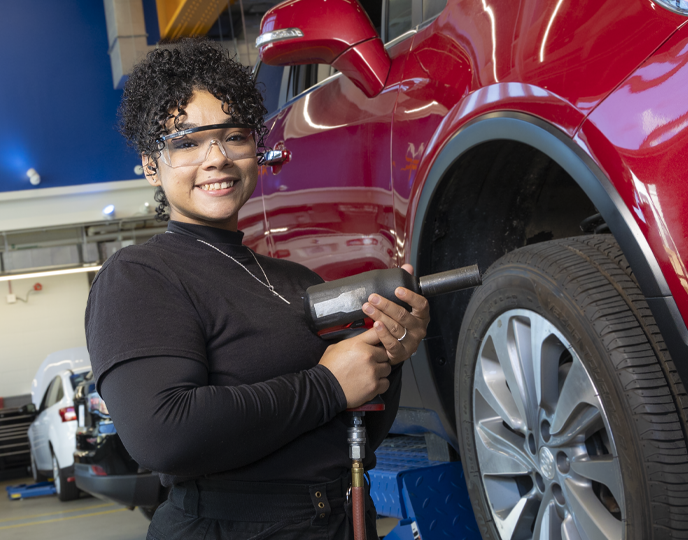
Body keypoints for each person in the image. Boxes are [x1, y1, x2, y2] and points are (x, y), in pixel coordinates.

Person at [85, 38, 430, 540]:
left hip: (337, 519)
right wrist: (328, 384)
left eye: (234, 137)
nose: (217, 158)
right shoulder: (140, 276)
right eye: (187, 142)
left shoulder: (300, 281)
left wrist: (389, 357)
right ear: (151, 165)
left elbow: (357, 434)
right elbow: (163, 434)